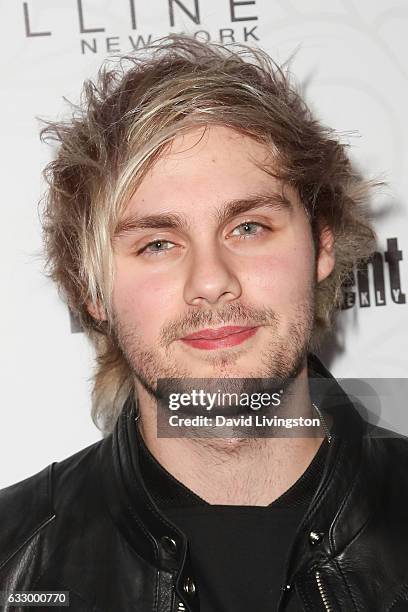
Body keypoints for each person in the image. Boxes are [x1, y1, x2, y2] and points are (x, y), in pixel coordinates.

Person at [0, 34, 407, 612]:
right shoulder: (12, 563)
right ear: (92, 291)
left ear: (320, 247)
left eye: (249, 228)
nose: (211, 280)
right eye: (159, 243)